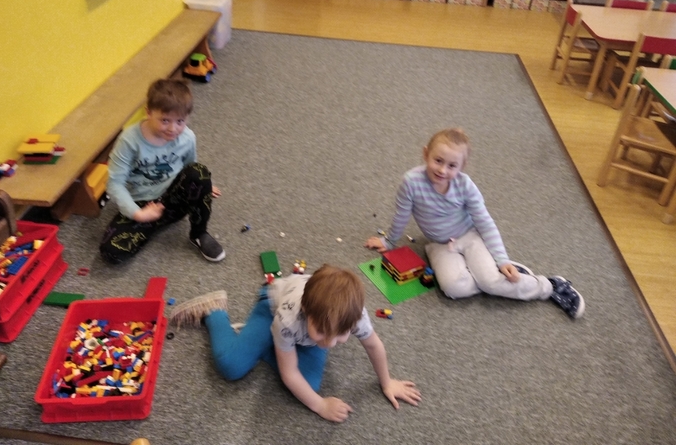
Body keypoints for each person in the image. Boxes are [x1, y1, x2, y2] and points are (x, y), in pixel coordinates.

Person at [365, 128, 585, 319]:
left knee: (490, 282)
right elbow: (402, 214)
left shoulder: (466, 186)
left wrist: (502, 259)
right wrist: (389, 241)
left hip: (470, 236)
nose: (443, 170)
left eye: (452, 165)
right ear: (425, 153)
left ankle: (550, 286)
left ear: (462, 166)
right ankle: (494, 274)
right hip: (439, 244)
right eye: (438, 161)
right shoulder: (410, 182)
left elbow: (485, 223)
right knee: (453, 288)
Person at [169, 265, 421, 422]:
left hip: (299, 332)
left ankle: (273, 347)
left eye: (339, 335)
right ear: (306, 313)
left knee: (308, 385)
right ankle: (214, 311)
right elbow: (289, 373)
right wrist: (320, 405)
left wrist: (387, 382)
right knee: (230, 365)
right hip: (270, 308)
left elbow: (374, 345)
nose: (329, 344)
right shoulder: (288, 319)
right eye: (322, 332)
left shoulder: (354, 316)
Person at [99, 79, 225, 264]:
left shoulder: (187, 137)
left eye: (180, 121)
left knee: (199, 173)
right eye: (165, 120)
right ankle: (151, 223)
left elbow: (191, 165)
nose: (173, 129)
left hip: (173, 199)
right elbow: (114, 183)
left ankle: (198, 234)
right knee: (111, 252)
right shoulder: (129, 141)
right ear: (148, 112)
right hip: (141, 203)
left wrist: (203, 185)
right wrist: (138, 214)